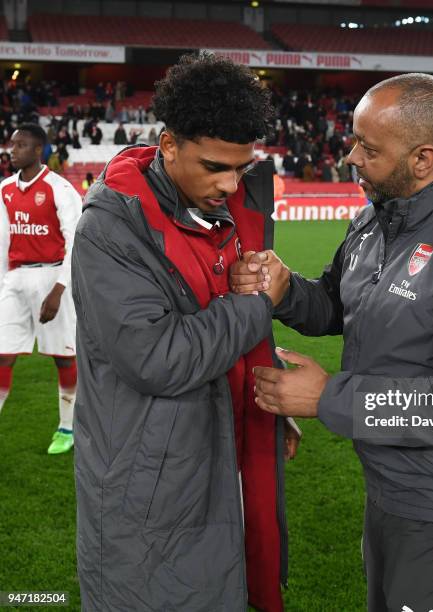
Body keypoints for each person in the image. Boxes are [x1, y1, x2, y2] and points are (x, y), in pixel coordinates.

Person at [231, 74, 433, 611]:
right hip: (395, 488)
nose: (352, 157)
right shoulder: (378, 216)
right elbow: (341, 307)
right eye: (356, 140)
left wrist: (326, 398)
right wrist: (287, 290)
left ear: (423, 158)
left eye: (369, 147)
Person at [72, 53, 298, 612]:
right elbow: (157, 357)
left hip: (216, 456)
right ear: (168, 145)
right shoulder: (110, 225)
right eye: (215, 166)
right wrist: (255, 306)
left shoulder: (223, 210)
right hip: (146, 486)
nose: (230, 183)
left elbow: (214, 323)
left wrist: (264, 404)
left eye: (241, 168)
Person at [0, 123, 82, 454]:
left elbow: (76, 244)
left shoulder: (60, 189)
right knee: (3, 355)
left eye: (19, 145)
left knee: (63, 358)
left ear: (38, 151)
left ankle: (67, 428)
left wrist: (60, 290)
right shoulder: (4, 188)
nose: (11, 150)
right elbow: (3, 241)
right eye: (11, 144)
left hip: (53, 277)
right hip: (16, 279)